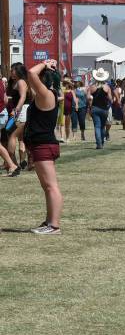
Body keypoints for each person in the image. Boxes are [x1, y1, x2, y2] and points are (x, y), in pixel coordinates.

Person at [24, 59, 64, 235]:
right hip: (42, 144)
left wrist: (44, 64)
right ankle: (49, 221)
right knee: (48, 187)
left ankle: (54, 225)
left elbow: (31, 73)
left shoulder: (46, 94)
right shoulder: (49, 94)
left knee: (51, 186)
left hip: (44, 145)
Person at [7, 62, 30, 169]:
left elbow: (23, 97)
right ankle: (22, 162)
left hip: (22, 111)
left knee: (13, 136)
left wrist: (16, 109)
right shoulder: (17, 82)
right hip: (21, 110)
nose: (11, 72)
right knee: (21, 138)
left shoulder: (21, 82)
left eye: (13, 70)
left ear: (18, 71)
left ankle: (14, 163)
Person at [87, 68, 113, 149]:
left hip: (95, 108)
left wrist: (90, 106)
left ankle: (99, 144)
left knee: (97, 126)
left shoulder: (92, 87)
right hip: (104, 109)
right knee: (102, 126)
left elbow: (88, 97)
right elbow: (110, 99)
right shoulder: (107, 87)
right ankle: (101, 142)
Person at [0, 75, 19, 176]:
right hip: (3, 114)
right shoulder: (2, 84)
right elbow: (6, 100)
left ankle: (12, 165)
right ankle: (11, 165)